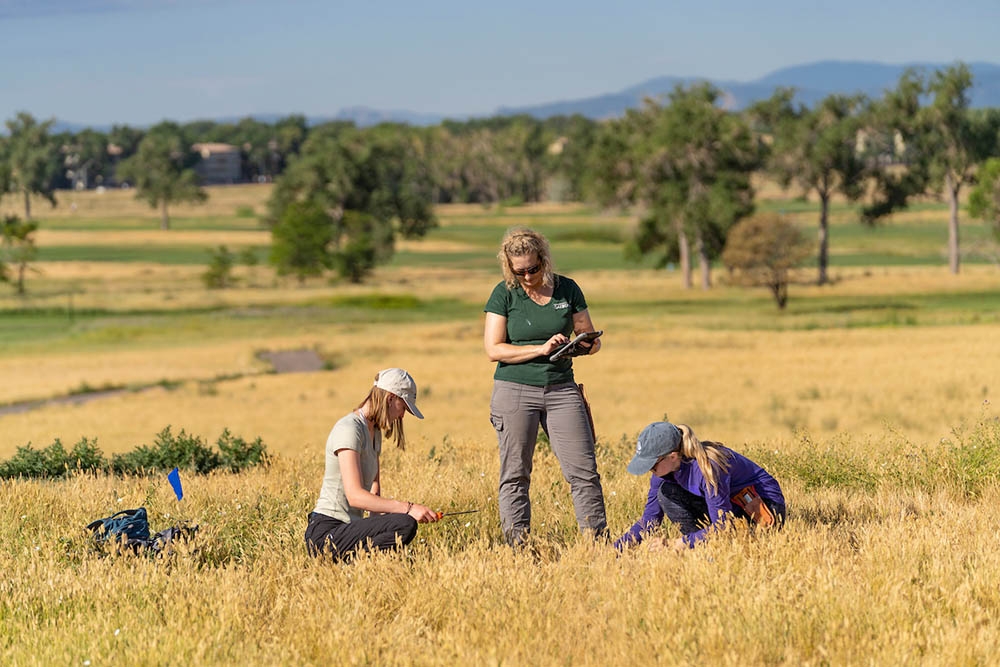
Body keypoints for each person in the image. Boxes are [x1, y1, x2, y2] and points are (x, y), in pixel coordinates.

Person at [483, 227, 607, 546]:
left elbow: (589, 337)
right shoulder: (504, 293)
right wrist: (540, 349)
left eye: (533, 269)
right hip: (515, 390)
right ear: (509, 267)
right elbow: (494, 349)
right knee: (515, 474)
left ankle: (597, 543)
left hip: (561, 388)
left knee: (584, 472)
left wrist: (582, 345)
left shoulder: (568, 289)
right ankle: (519, 546)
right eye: (519, 271)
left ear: (544, 260)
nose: (527, 277)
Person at [304, 368, 440, 560]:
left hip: (349, 528)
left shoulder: (374, 432)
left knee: (402, 523)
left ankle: (365, 566)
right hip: (327, 531)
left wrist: (388, 522)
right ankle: (355, 565)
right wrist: (409, 508)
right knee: (405, 523)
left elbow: (374, 491)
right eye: (404, 407)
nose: (402, 416)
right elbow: (356, 497)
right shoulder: (349, 429)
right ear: (390, 398)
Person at [616, 422, 786, 551]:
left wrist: (675, 544)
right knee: (666, 493)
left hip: (762, 506)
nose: (650, 471)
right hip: (729, 505)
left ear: (673, 456)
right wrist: (616, 550)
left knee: (725, 535)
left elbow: (723, 525)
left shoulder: (708, 468)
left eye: (652, 465)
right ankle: (701, 545)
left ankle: (700, 544)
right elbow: (649, 520)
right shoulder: (663, 472)